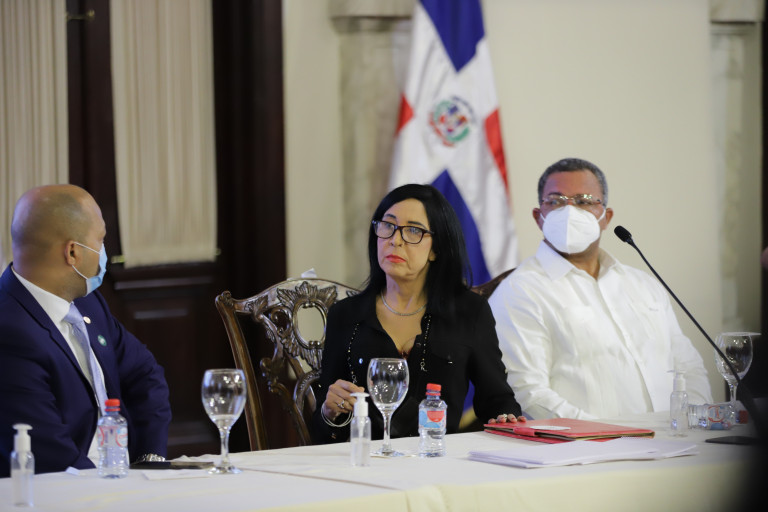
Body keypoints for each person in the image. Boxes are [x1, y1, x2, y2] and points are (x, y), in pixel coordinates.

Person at [488, 158, 712, 419]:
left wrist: (694, 421)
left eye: (584, 201)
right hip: (588, 443)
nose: (570, 212)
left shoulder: (643, 284)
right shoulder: (519, 291)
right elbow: (528, 393)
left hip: (675, 438)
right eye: (556, 201)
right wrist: (608, 436)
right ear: (539, 217)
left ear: (606, 218)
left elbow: (688, 367)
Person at [312, 184, 523, 443]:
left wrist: (505, 418)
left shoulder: (469, 311)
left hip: (438, 457)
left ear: (436, 249)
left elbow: (497, 400)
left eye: (413, 230)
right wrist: (329, 411)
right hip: (366, 458)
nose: (395, 240)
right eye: (388, 226)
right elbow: (321, 428)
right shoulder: (345, 315)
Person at [0, 184, 171, 475]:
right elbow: (50, 455)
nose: (104, 251)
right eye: (101, 239)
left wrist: (150, 459)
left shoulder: (89, 303)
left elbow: (146, 375)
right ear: (73, 252)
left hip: (123, 478)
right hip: (66, 490)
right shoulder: (9, 332)